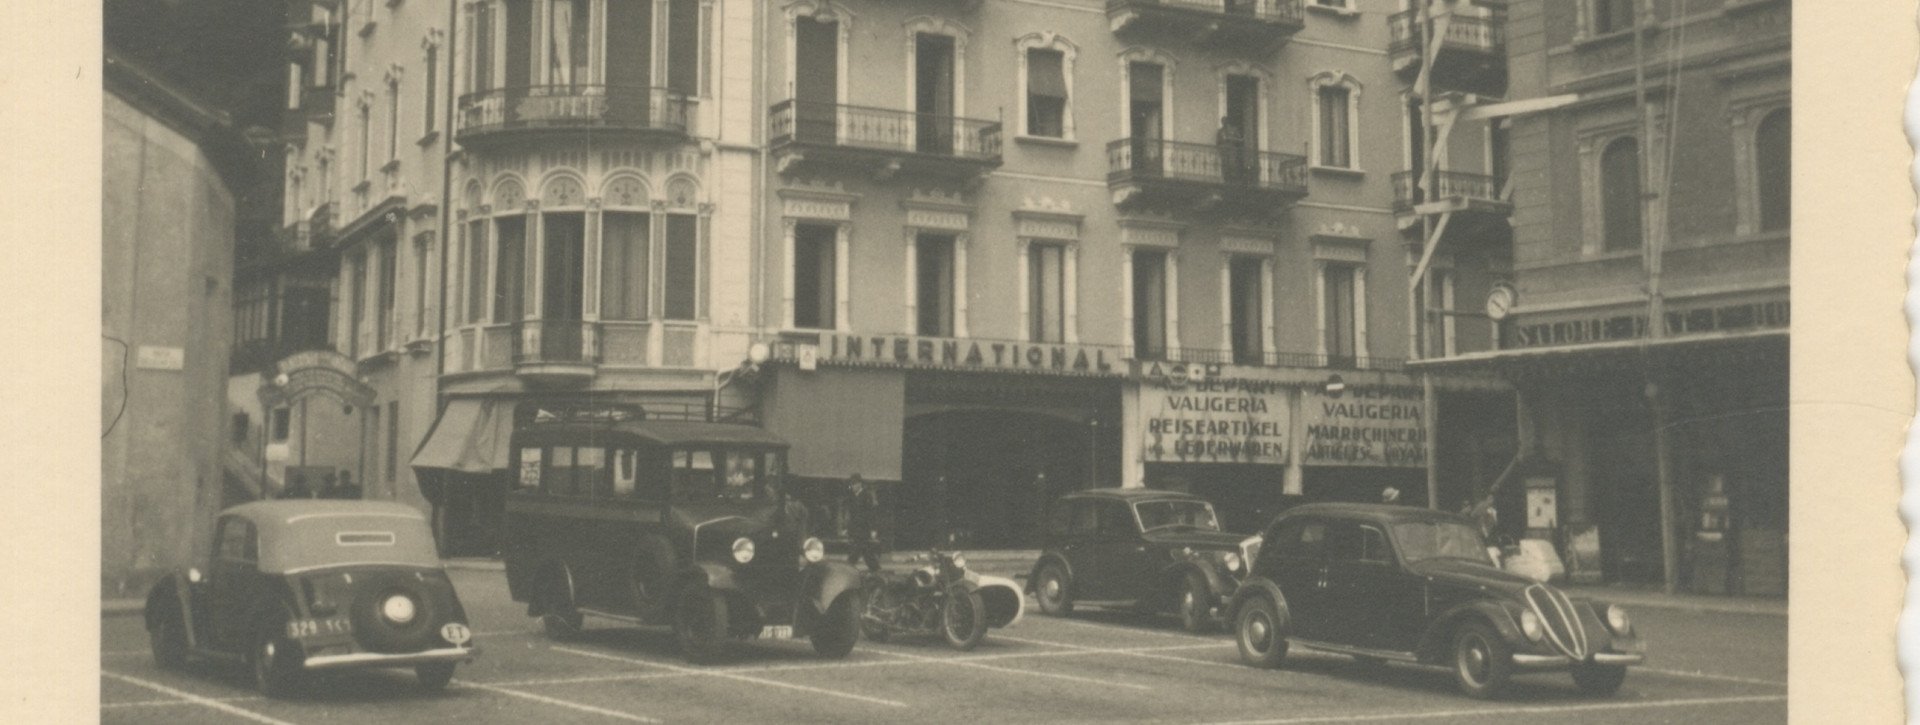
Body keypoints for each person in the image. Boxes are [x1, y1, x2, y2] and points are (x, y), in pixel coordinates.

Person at [844, 474, 882, 572]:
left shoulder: (866, 495)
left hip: (864, 528)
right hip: (855, 528)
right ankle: (875, 569)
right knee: (865, 551)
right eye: (851, 484)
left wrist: (873, 529)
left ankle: (848, 566)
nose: (852, 486)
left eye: (854, 484)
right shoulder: (852, 497)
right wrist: (847, 528)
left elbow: (871, 513)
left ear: (859, 484)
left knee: (858, 550)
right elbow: (851, 515)